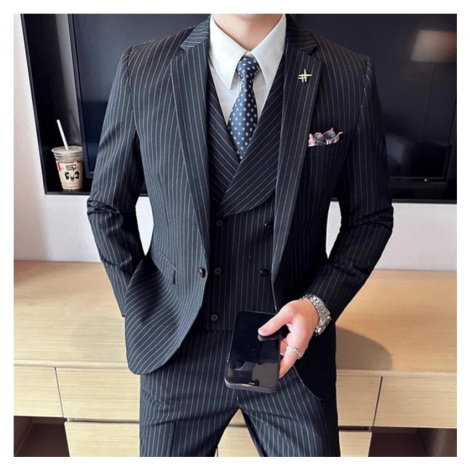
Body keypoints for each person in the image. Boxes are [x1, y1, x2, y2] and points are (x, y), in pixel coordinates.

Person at [87, 13, 394, 457]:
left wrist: (318, 306)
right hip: (177, 344)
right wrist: (141, 307)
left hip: (287, 346)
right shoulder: (144, 68)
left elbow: (371, 218)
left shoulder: (348, 73)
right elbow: (107, 207)